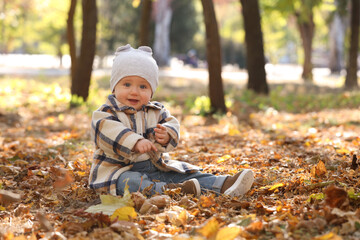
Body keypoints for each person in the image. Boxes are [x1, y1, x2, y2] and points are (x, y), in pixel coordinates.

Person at [89, 44, 254, 197]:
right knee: (130, 182)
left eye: (143, 87)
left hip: (154, 166)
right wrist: (135, 142)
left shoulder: (156, 110)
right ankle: (169, 191)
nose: (134, 92)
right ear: (114, 87)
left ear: (152, 91)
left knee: (182, 172)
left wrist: (167, 135)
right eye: (126, 84)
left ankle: (223, 184)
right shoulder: (105, 113)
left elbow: (171, 122)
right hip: (118, 170)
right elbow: (109, 131)